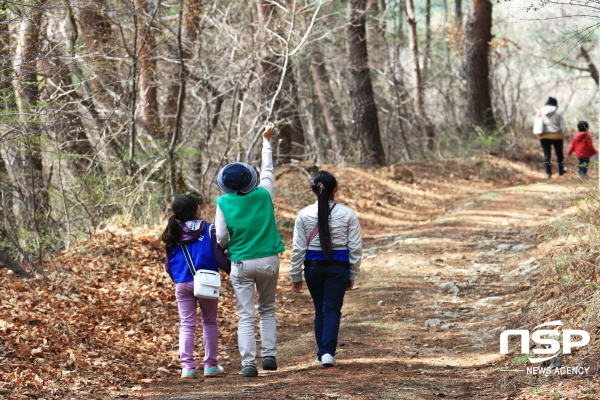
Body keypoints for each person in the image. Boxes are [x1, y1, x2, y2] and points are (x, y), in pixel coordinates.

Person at [214, 123, 285, 378]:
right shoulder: (264, 194)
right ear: (250, 179)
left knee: (245, 315)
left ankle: (248, 364)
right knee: (267, 309)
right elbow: (268, 169)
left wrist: (226, 247)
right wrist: (267, 140)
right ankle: (269, 356)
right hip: (268, 259)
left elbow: (221, 236)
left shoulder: (223, 202)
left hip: (241, 262)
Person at [290, 171, 362, 368]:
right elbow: (354, 248)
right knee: (331, 309)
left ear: (312, 191)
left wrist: (295, 274)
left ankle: (324, 353)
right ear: (336, 190)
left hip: (313, 268)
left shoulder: (304, 214)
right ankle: (327, 353)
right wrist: (352, 273)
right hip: (338, 267)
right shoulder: (347, 214)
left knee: (320, 309)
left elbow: (298, 248)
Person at [161, 195, 231, 379]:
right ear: (196, 211)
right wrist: (232, 269)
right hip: (206, 282)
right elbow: (219, 257)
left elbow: (168, 265)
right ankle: (210, 366)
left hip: (182, 283)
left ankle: (187, 368)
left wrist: (178, 279)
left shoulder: (172, 232)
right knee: (209, 322)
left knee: (186, 324)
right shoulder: (209, 230)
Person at [536, 97, 568, 178]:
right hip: (557, 136)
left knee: (547, 155)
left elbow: (538, 123)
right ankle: (561, 170)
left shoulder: (541, 110)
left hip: (544, 136)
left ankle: (548, 173)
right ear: (555, 103)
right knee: (559, 154)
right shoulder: (558, 111)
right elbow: (562, 125)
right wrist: (566, 135)